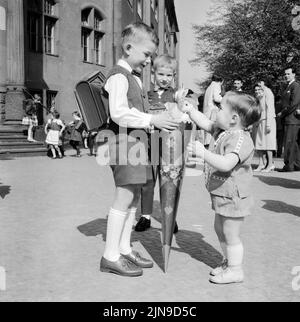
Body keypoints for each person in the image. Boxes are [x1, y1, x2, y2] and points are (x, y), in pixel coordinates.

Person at [99, 22, 180, 277]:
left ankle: (124, 248)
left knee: (133, 197)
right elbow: (119, 113)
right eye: (146, 54)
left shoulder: (131, 77)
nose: (148, 61)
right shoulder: (118, 76)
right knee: (124, 197)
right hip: (122, 142)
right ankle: (110, 255)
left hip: (134, 143)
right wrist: (152, 120)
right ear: (128, 47)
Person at [180, 91, 261, 284]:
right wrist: (191, 110)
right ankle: (228, 262)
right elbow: (205, 123)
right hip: (222, 194)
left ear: (233, 118)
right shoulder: (223, 130)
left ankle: (236, 270)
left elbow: (226, 163)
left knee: (231, 234)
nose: (216, 109)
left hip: (234, 196)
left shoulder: (241, 139)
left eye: (221, 107)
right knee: (220, 229)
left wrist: (203, 153)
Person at [135, 54, 179, 233]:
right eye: (161, 74)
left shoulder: (176, 96)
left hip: (170, 146)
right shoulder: (145, 95)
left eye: (169, 75)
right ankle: (145, 216)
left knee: (169, 181)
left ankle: (170, 217)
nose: (165, 79)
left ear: (174, 76)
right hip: (150, 144)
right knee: (147, 181)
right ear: (153, 74)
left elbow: (187, 111)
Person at [277, 66, 300, 172]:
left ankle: (289, 166)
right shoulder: (287, 86)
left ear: (294, 74)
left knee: (289, 143)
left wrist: (282, 113)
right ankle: (296, 164)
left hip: (292, 119)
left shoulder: (295, 86)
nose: (286, 76)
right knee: (293, 143)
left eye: (288, 74)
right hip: (289, 119)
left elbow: (294, 104)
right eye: (285, 74)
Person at [253, 82, 277, 172]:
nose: (257, 91)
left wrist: (268, 124)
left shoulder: (268, 94)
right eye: (256, 90)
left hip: (268, 121)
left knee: (268, 144)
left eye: (259, 89)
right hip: (260, 121)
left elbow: (270, 109)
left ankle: (270, 164)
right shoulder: (258, 99)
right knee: (259, 143)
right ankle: (261, 163)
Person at [203, 74, 223, 147]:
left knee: (207, 134)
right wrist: (225, 99)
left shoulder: (209, 87)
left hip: (207, 112)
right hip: (213, 112)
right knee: (213, 134)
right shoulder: (217, 85)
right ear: (221, 81)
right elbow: (217, 98)